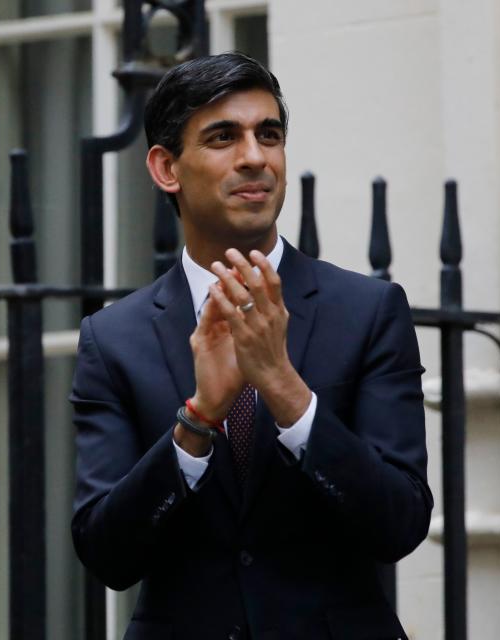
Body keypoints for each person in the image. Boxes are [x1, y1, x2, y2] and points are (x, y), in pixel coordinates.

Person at [70, 52, 432, 639]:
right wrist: (198, 418)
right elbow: (107, 555)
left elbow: (401, 524)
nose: (255, 157)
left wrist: (286, 391)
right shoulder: (112, 340)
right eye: (223, 137)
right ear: (166, 168)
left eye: (270, 134)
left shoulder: (368, 311)